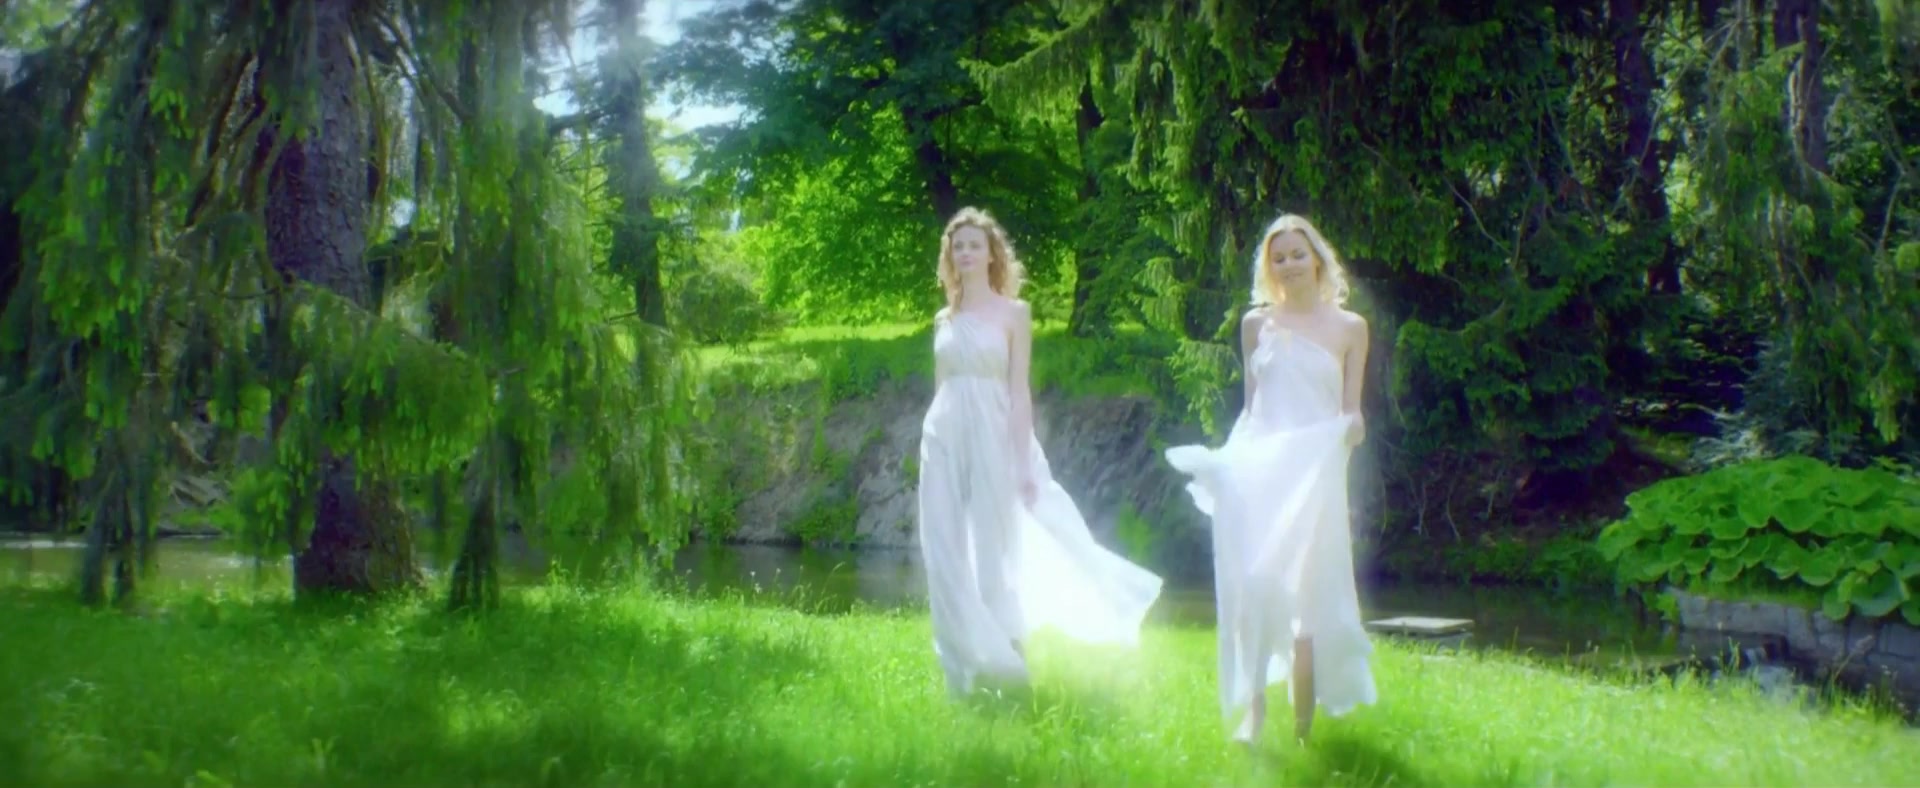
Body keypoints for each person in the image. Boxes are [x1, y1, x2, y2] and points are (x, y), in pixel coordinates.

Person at [916, 206, 1164, 696]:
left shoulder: (1014, 314)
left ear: (992, 254)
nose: (965, 253)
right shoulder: (945, 317)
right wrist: (936, 432)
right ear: (950, 256)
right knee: (943, 548)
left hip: (993, 433)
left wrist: (1023, 462)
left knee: (995, 550)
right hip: (942, 436)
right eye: (957, 246)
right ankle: (960, 665)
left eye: (974, 245)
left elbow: (1018, 391)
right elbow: (943, 385)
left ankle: (1008, 661)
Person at [1164, 213, 1377, 745]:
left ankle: (1303, 729)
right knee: (1256, 586)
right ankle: (1254, 713)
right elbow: (1252, 409)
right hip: (1261, 474)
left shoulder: (1351, 328)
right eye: (1278, 258)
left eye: (1298, 254)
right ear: (1269, 268)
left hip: (1315, 482)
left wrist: (1349, 429)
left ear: (1317, 259)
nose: (1289, 264)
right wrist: (1230, 466)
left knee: (1307, 603)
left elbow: (1352, 412)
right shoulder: (1256, 325)